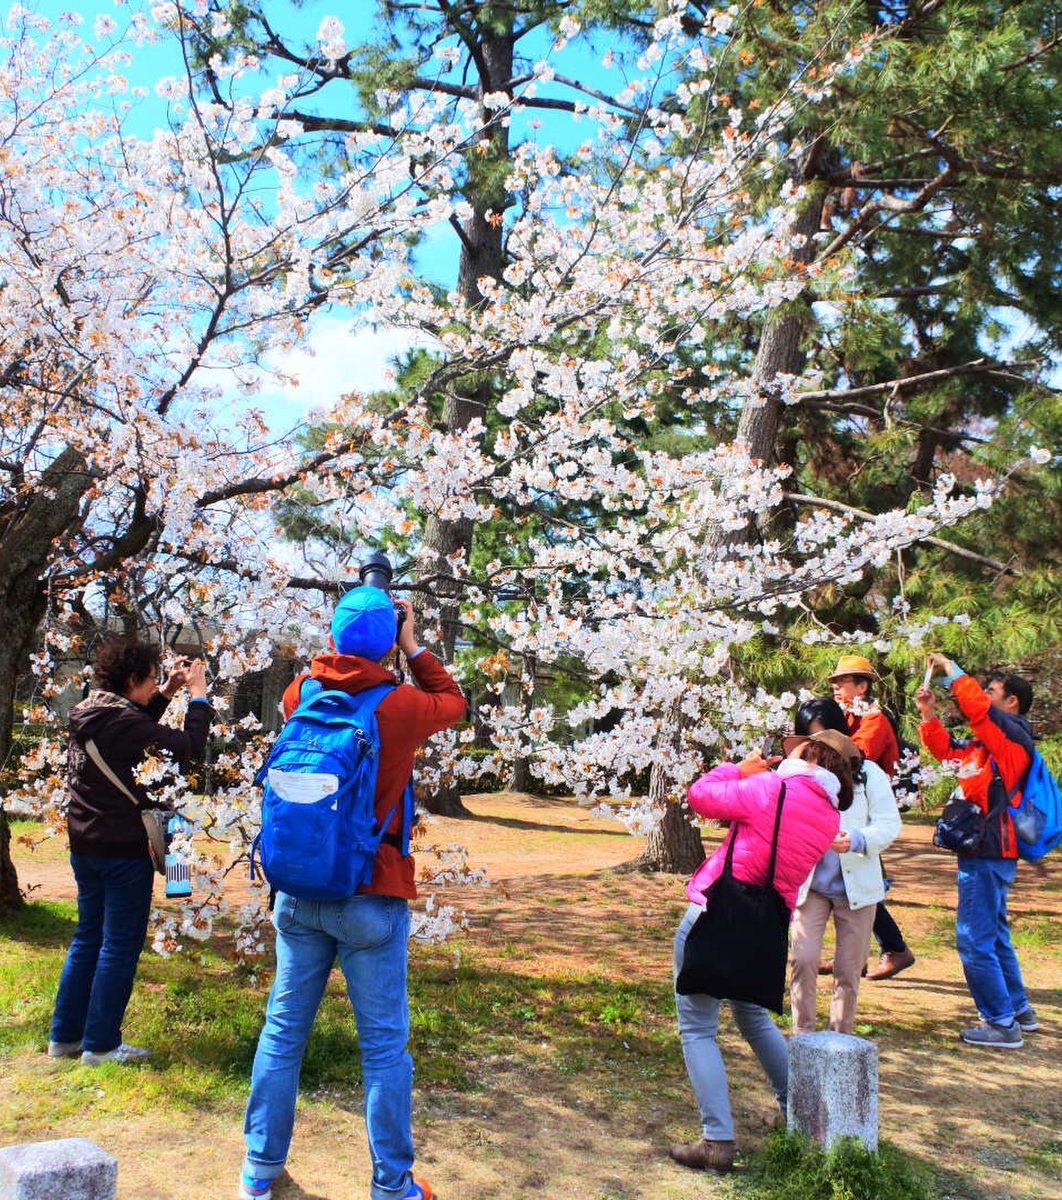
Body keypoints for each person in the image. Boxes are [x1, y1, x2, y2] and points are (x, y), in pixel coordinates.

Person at [240, 588, 466, 1200]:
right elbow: (454, 702)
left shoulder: (299, 694)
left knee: (282, 1033)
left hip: (299, 891)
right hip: (371, 893)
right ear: (388, 638)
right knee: (384, 1048)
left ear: (335, 637)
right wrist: (412, 645)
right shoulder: (400, 705)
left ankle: (259, 1173)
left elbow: (324, 670)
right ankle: (393, 1186)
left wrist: (346, 643)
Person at [669, 739, 847, 1174]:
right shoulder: (827, 814)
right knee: (752, 1017)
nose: (783, 754)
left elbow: (700, 798)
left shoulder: (770, 788)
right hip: (767, 925)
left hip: (717, 911)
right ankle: (799, 1115)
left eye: (796, 749)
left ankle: (716, 1140)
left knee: (697, 1026)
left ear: (809, 758)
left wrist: (736, 769)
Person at [49, 638, 211, 1065]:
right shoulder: (122, 723)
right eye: (152, 679)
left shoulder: (90, 712)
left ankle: (64, 1038)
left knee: (88, 939)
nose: (156, 683)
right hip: (123, 849)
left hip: (85, 844)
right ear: (134, 680)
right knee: (118, 945)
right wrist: (198, 697)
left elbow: (133, 730)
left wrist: (168, 691)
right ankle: (102, 1045)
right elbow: (187, 749)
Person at [916, 655, 1037, 1049]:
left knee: (973, 939)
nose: (983, 697)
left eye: (992, 692)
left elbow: (977, 708)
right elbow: (948, 753)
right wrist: (929, 716)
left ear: (1011, 702)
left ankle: (1001, 1023)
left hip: (988, 851)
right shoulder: (988, 746)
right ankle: (1018, 1009)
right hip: (989, 851)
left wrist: (952, 671)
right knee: (995, 934)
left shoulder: (1011, 736)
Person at [787, 711, 902, 1036]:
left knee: (848, 970)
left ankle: (841, 1039)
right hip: (812, 887)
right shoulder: (804, 777)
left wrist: (858, 839)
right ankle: (802, 1035)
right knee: (804, 958)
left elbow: (890, 824)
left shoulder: (871, 776)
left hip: (858, 889)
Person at [828, 653, 915, 981]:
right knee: (851, 883)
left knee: (861, 887)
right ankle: (857, 957)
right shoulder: (851, 718)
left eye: (842, 681)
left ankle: (894, 949)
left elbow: (851, 757)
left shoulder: (874, 721)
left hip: (868, 814)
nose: (836, 687)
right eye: (835, 682)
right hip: (852, 809)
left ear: (862, 686)